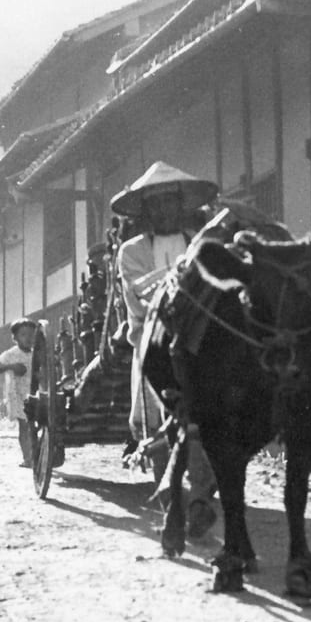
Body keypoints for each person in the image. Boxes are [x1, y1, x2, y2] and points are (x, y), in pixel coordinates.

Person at [111, 161, 219, 537]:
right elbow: (143, 295)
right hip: (152, 331)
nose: (163, 211)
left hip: (201, 330)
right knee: (157, 405)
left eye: (169, 202)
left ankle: (205, 492)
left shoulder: (200, 241)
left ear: (181, 205)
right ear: (145, 211)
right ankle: (170, 489)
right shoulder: (132, 251)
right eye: (154, 205)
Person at [0, 318, 42, 467]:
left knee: (36, 425)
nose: (28, 338)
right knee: (24, 425)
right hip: (17, 394)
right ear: (15, 338)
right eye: (23, 335)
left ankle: (37, 455)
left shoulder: (36, 354)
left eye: (31, 335)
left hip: (34, 393)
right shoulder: (10, 354)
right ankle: (27, 458)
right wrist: (13, 366)